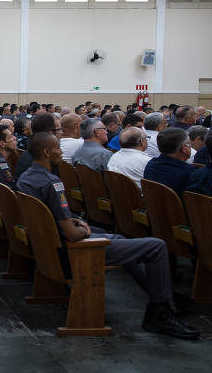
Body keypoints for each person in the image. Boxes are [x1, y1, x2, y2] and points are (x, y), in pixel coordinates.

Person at [16, 132, 199, 340]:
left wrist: (73, 221)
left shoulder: (27, 177)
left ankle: (164, 296)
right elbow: (72, 235)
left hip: (48, 249)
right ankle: (161, 312)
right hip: (71, 252)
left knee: (119, 239)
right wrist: (83, 229)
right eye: (58, 148)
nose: (61, 151)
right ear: (47, 152)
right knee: (156, 246)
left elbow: (52, 216)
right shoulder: (52, 182)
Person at [143, 128, 195, 198]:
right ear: (184, 148)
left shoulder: (151, 164)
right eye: (189, 144)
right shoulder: (190, 173)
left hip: (153, 207)